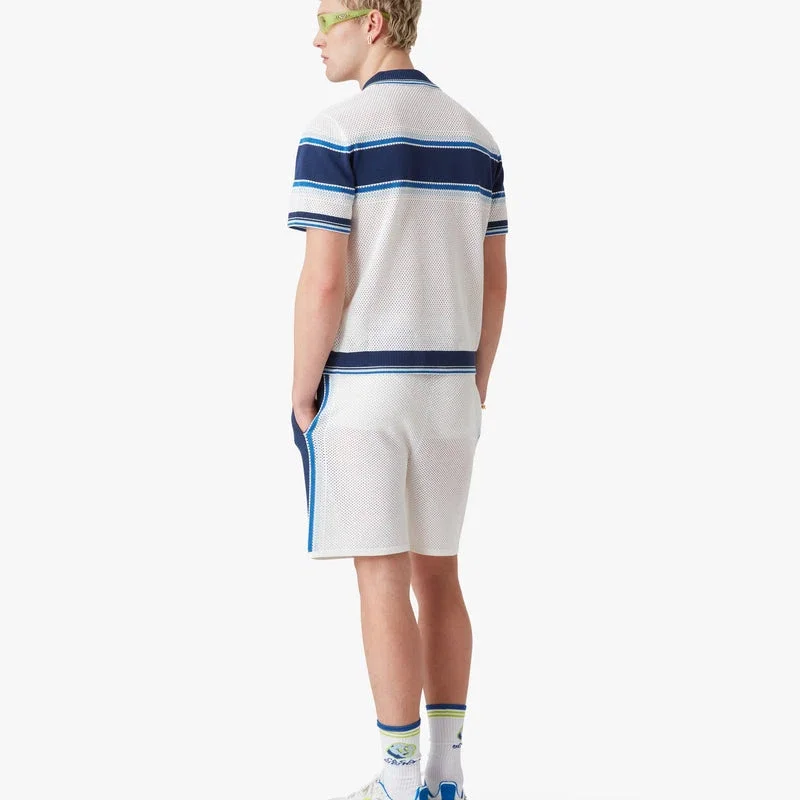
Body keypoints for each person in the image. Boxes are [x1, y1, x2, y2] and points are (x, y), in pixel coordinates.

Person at [287, 3, 507, 799]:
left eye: (327, 20)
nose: (316, 38)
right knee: (440, 575)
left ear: (373, 22)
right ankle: (445, 776)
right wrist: (476, 385)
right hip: (450, 394)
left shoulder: (336, 133)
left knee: (382, 579)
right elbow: (495, 286)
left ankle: (397, 773)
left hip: (367, 392)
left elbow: (324, 282)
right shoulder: (478, 138)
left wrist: (301, 391)